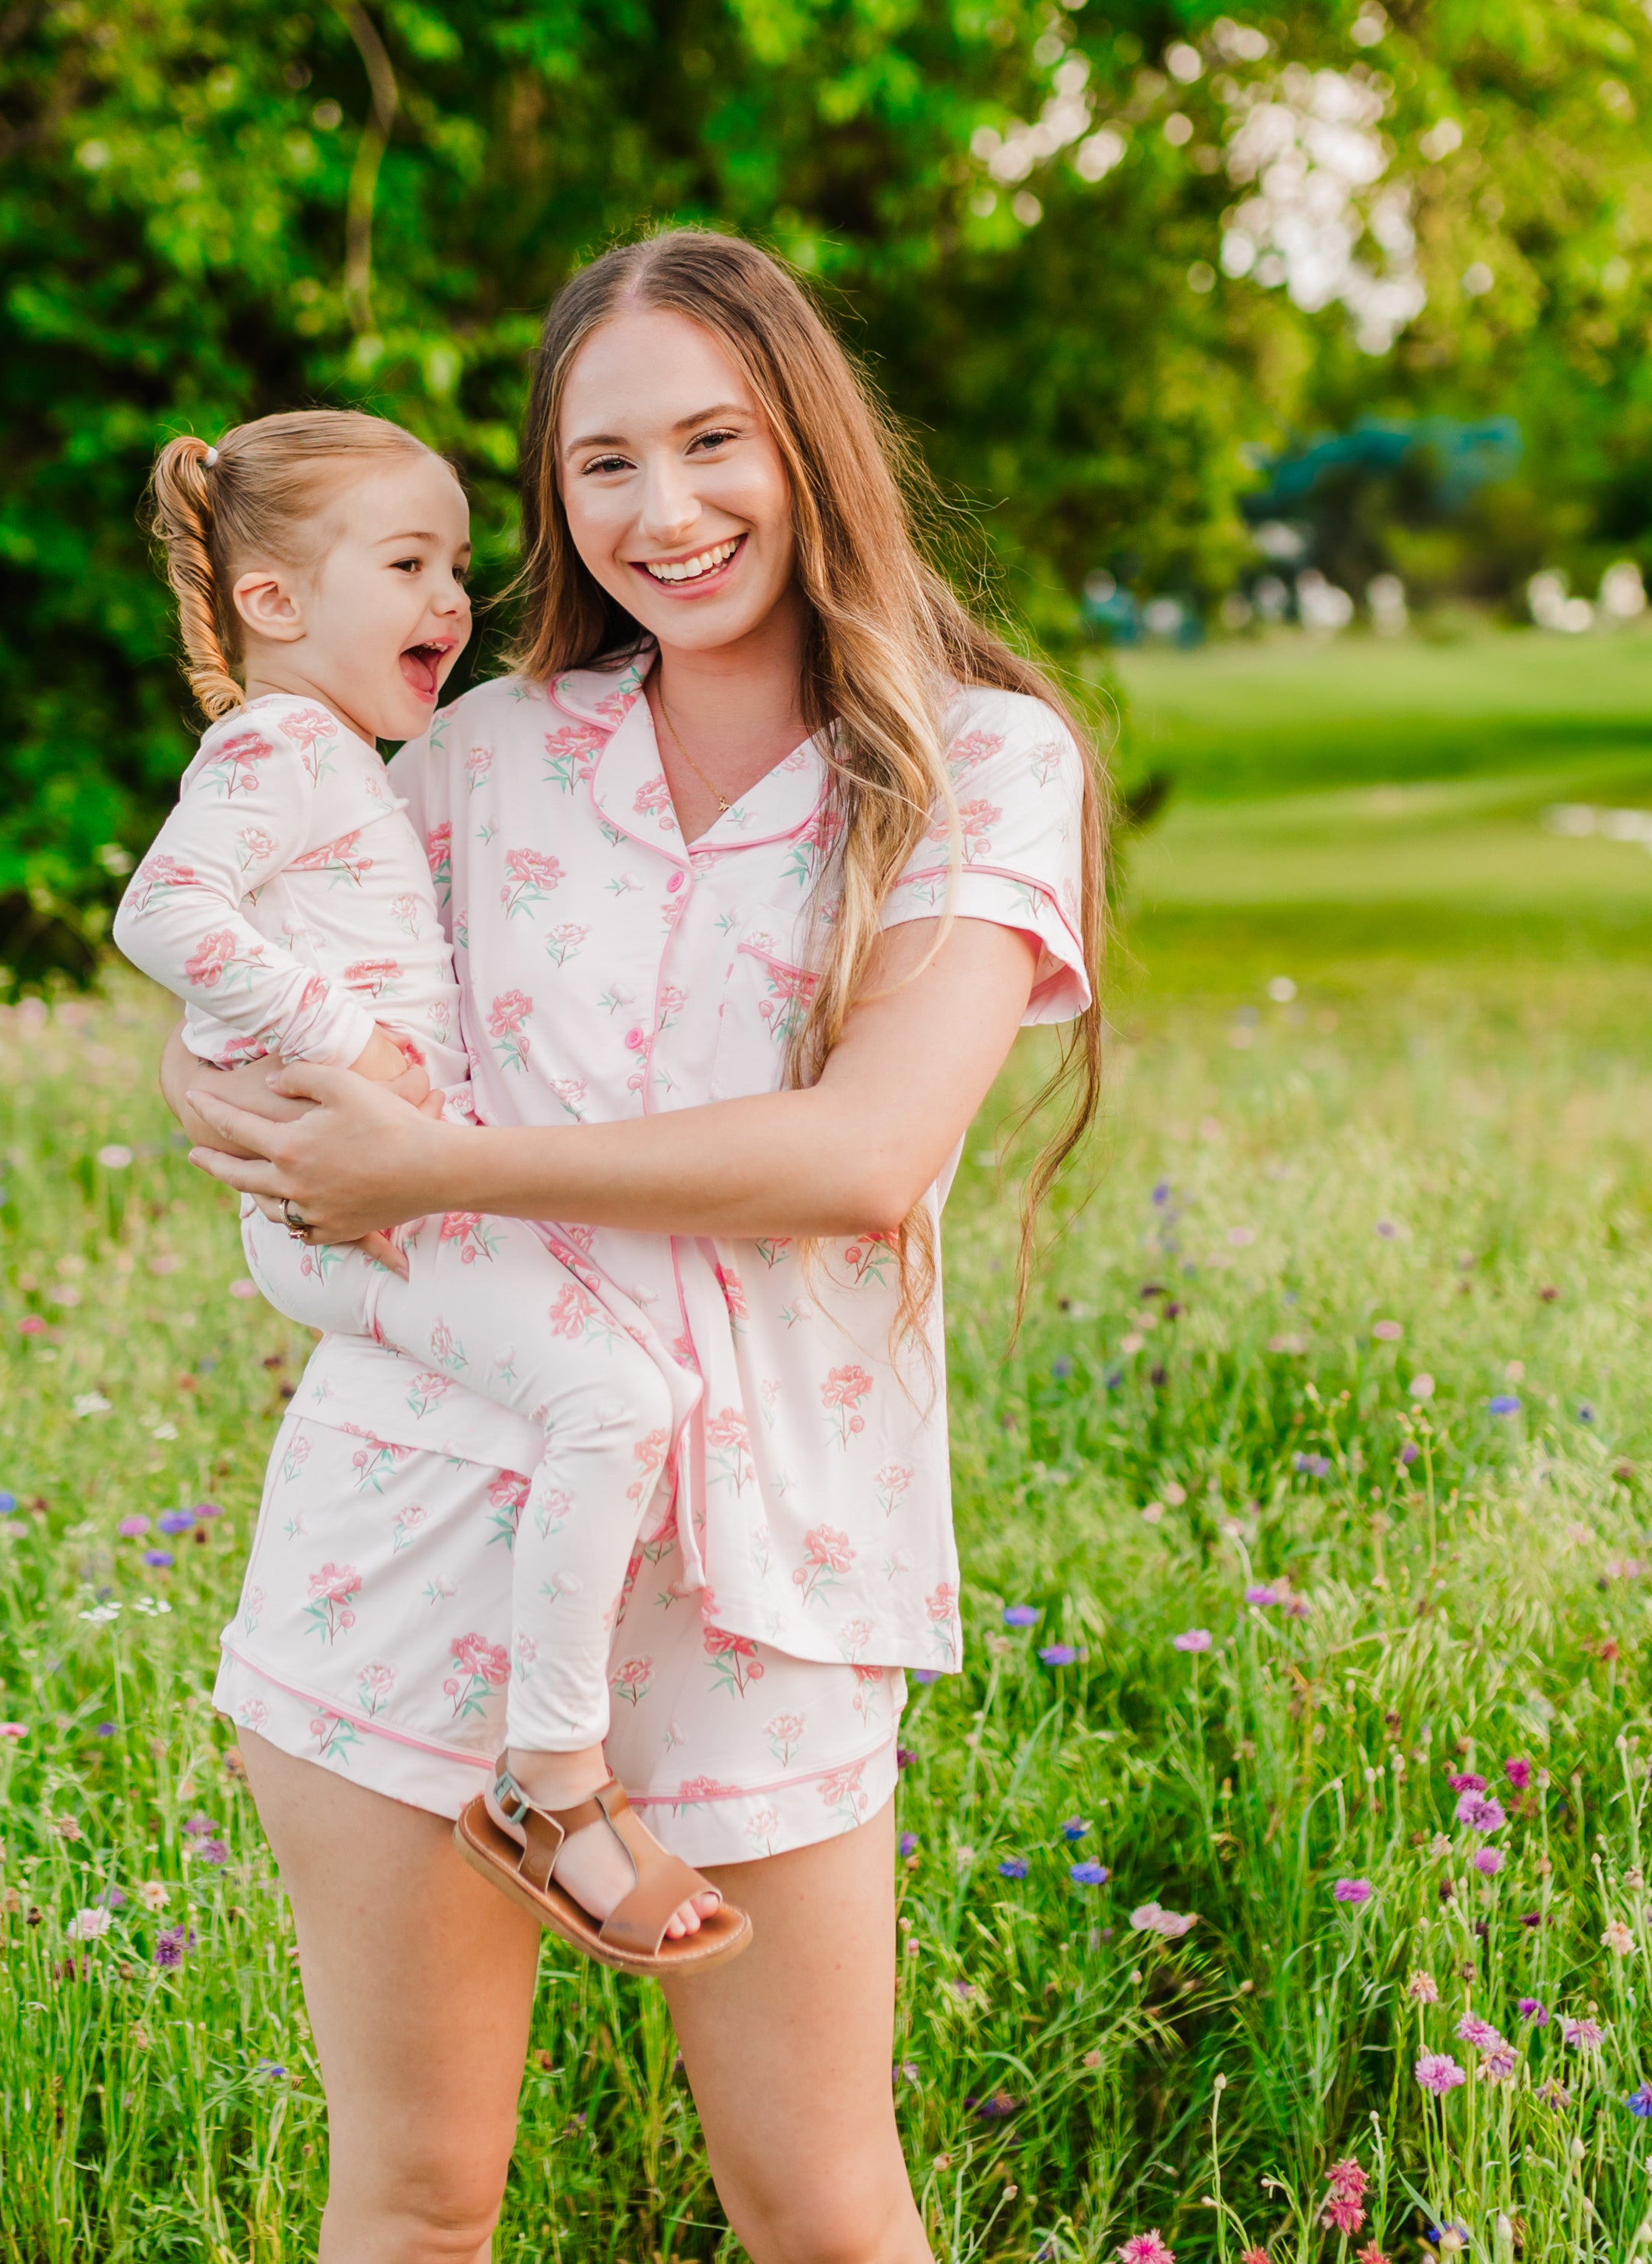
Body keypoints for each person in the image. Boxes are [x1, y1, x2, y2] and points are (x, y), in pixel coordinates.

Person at [163, 229, 1106, 2264]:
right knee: (418, 2201)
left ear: (811, 442)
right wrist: (235, 1095)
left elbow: (869, 1155)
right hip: (419, 1531)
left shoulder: (974, 762)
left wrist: (431, 1165)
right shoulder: (481, 754)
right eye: (605, 463)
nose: (664, 510)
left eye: (713, 441)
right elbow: (275, 1010)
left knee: (825, 2207)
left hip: (769, 1569)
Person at [116, 411, 738, 1967]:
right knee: (618, 1401)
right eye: (406, 565)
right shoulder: (275, 747)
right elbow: (163, 911)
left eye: (457, 564)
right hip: (354, 1209)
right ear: (273, 603)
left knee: (605, 1394)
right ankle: (553, 1781)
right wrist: (341, 1041)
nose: (453, 599)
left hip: (379, 1188)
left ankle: (543, 1750)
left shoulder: (341, 757)